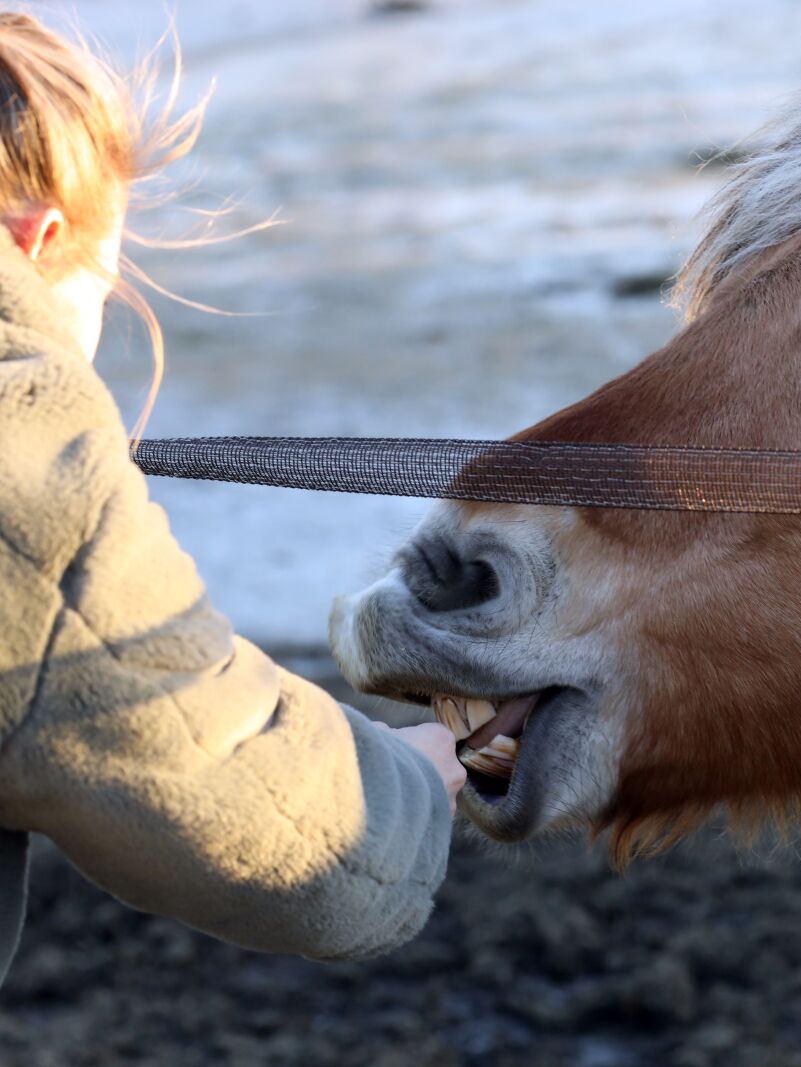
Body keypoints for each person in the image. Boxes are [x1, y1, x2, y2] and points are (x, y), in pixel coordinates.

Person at [0, 13, 465, 986]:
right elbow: (257, 806)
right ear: (38, 238)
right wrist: (418, 774)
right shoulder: (22, 449)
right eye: (100, 287)